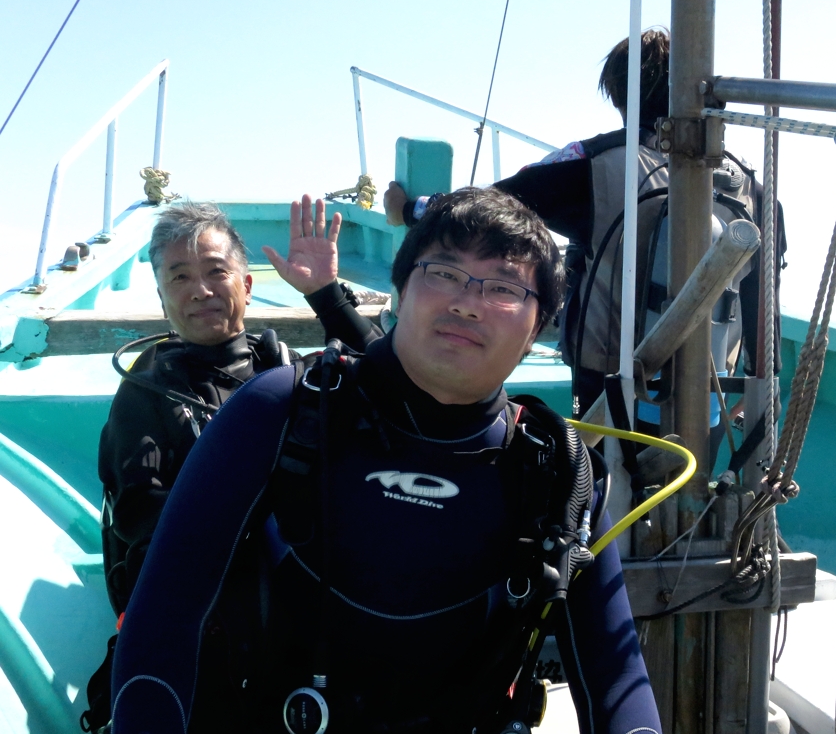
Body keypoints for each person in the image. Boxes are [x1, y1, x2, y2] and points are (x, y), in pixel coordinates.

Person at [109, 187, 662, 734]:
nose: (466, 302)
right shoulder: (281, 412)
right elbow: (164, 621)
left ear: (537, 327)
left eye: (502, 287)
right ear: (401, 287)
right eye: (443, 272)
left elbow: (615, 675)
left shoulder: (557, 472)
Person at [385, 29, 784, 455]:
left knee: (599, 489)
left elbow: (486, 211)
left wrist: (409, 210)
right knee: (689, 488)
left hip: (606, 384)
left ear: (618, 94)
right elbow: (764, 310)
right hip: (712, 394)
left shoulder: (595, 162)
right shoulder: (756, 193)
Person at [99, 197, 376, 618]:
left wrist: (326, 295)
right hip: (210, 610)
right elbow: (139, 515)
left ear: (245, 286)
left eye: (216, 272)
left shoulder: (290, 373)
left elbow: (392, 377)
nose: (200, 290)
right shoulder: (147, 388)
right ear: (161, 297)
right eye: (179, 277)